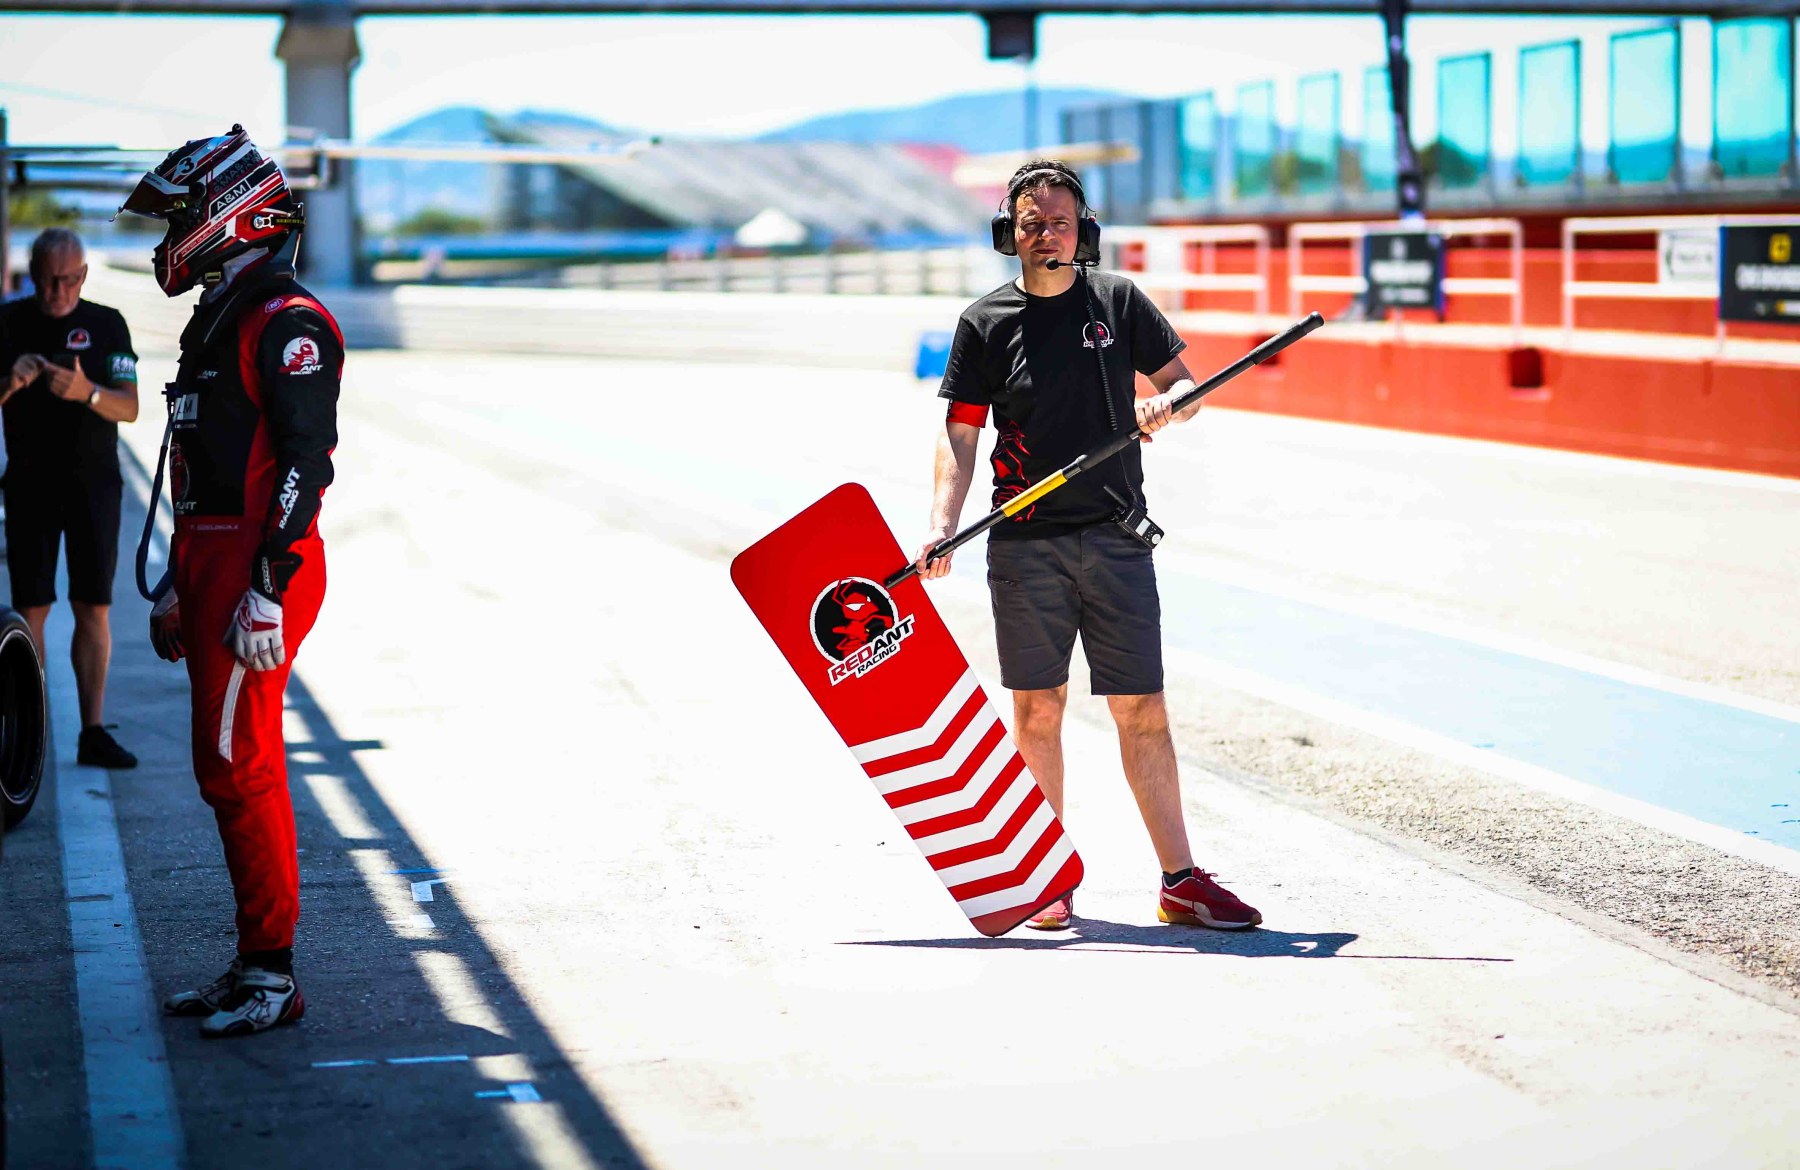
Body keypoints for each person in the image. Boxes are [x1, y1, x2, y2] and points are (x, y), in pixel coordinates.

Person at [914, 160, 1262, 933]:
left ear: (1085, 233)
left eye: (1060, 223)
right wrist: (941, 522)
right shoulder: (984, 323)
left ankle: (1180, 884)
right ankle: (1045, 878)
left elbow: (1185, 387)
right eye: (1031, 224)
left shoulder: (1119, 301)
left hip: (1116, 539)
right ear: (1008, 233)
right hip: (1023, 547)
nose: (1047, 235)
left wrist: (1169, 403)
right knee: (1037, 711)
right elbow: (960, 432)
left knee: (1143, 710)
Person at [118, 125, 342, 1037]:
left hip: (260, 566)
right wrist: (180, 579)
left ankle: (272, 975)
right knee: (224, 769)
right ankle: (254, 960)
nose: (171, 234)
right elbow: (204, 469)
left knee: (241, 769)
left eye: (180, 215)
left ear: (228, 212)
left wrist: (267, 586)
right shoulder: (224, 311)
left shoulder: (285, 319)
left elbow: (306, 462)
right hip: (214, 560)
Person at [0, 228, 141, 769]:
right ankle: (29, 737)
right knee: (30, 608)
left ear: (82, 276)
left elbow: (129, 407)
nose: (54, 290)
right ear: (31, 273)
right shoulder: (8, 321)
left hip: (93, 485)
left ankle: (92, 731)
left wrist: (88, 392)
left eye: (64, 280)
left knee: (93, 606)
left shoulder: (107, 324)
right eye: (43, 279)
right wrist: (9, 383)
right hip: (29, 483)